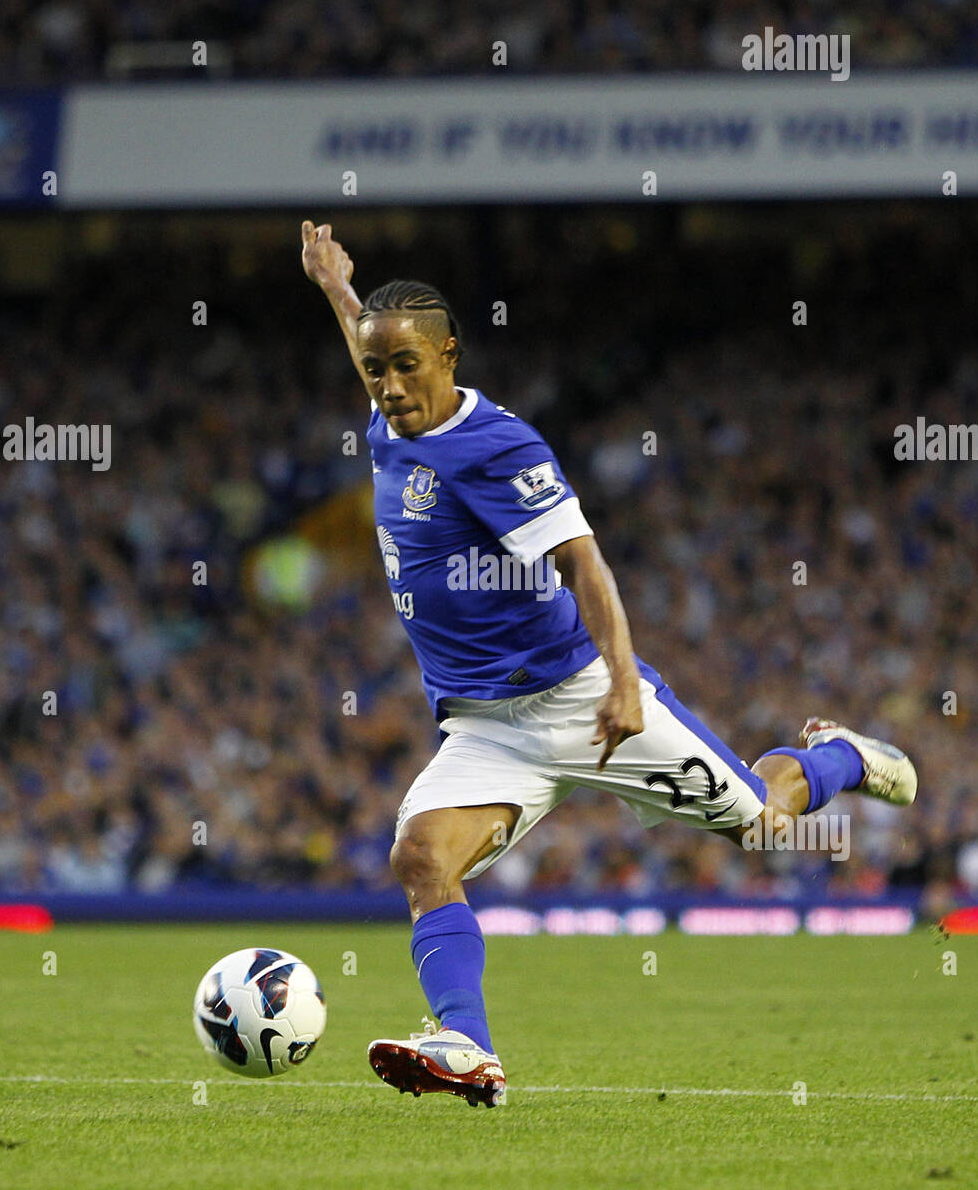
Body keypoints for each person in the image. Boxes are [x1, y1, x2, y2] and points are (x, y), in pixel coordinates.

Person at [301, 220, 917, 1108]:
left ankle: (841, 758)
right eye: (374, 371)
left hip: (582, 698)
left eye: (406, 367)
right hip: (486, 724)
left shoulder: (499, 447)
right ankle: (468, 1047)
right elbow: (372, 341)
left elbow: (583, 562)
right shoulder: (389, 421)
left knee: (761, 825)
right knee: (420, 857)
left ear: (449, 355)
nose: (390, 387)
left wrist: (625, 684)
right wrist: (335, 287)